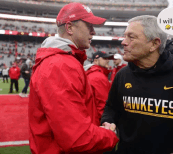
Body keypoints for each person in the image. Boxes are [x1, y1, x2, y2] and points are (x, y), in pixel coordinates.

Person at [101, 15, 173, 154]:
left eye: (131, 37)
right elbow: (111, 108)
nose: (123, 42)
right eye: (124, 36)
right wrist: (108, 121)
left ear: (154, 44)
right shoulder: (123, 75)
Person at [28, 2, 118, 154]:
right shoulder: (60, 65)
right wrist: (110, 135)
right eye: (89, 25)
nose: (93, 32)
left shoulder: (61, 61)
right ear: (69, 28)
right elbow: (78, 139)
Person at [84, 51, 114, 125]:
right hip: (97, 122)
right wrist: (106, 122)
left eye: (108, 58)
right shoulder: (98, 77)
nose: (108, 60)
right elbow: (102, 104)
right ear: (95, 60)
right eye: (104, 58)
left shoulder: (93, 73)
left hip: (90, 119)